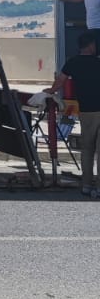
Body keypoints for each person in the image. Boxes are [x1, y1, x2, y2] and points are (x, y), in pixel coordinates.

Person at [50, 30, 100, 198]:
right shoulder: (98, 62)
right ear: (91, 45)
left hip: (86, 110)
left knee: (87, 149)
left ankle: (86, 185)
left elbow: (60, 81)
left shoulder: (73, 62)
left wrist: (50, 91)